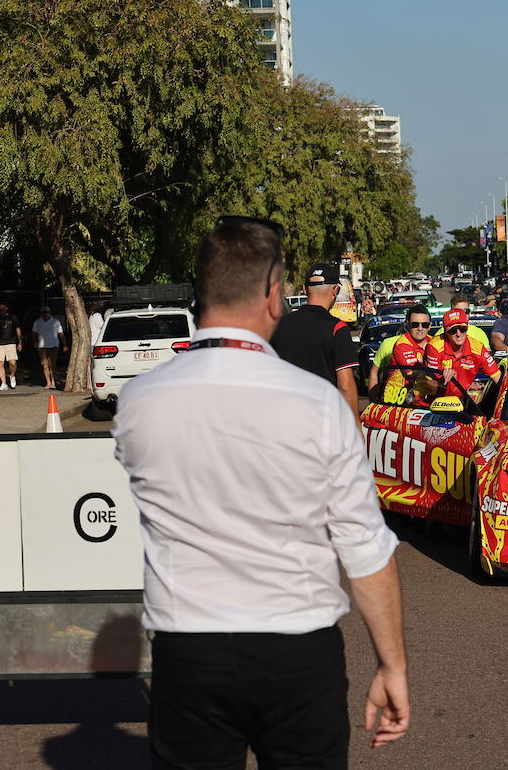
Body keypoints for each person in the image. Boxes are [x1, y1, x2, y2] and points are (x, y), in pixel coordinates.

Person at [112, 216, 409, 768]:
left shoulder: (139, 402)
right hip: (297, 647)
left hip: (188, 647)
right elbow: (365, 548)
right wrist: (392, 666)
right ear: (275, 294)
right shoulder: (317, 404)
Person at [270, 262, 361, 422]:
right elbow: (345, 385)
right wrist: (355, 426)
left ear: (305, 290)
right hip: (322, 421)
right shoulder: (338, 328)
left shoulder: (279, 325)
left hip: (283, 418)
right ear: (335, 290)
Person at [424, 308, 501, 402]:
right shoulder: (434, 347)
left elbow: (499, 380)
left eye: (462, 329)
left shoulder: (478, 348)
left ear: (467, 327)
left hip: (466, 400)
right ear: (445, 332)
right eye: (452, 330)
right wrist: (446, 380)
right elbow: (432, 389)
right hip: (438, 402)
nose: (458, 334)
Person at [375, 305, 433, 404]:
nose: (420, 328)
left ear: (430, 326)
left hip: (422, 401)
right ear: (408, 325)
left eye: (424, 325)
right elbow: (414, 374)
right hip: (396, 402)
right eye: (415, 324)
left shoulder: (434, 342)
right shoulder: (402, 344)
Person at [0, 301, 22, 391]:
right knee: (0, 363)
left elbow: (18, 328)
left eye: (4, 308)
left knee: (12, 362)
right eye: (0, 308)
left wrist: (20, 342)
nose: (2, 310)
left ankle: (12, 376)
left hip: (11, 342)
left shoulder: (12, 317)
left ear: (7, 308)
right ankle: (4, 383)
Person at [32, 306, 67, 390]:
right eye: (44, 313)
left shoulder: (56, 322)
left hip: (53, 346)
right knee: (45, 365)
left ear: (49, 313)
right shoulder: (37, 322)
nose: (45, 314)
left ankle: (53, 381)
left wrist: (65, 344)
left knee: (53, 364)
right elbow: (33, 333)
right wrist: (35, 342)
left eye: (47, 313)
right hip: (42, 347)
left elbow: (61, 334)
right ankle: (48, 382)